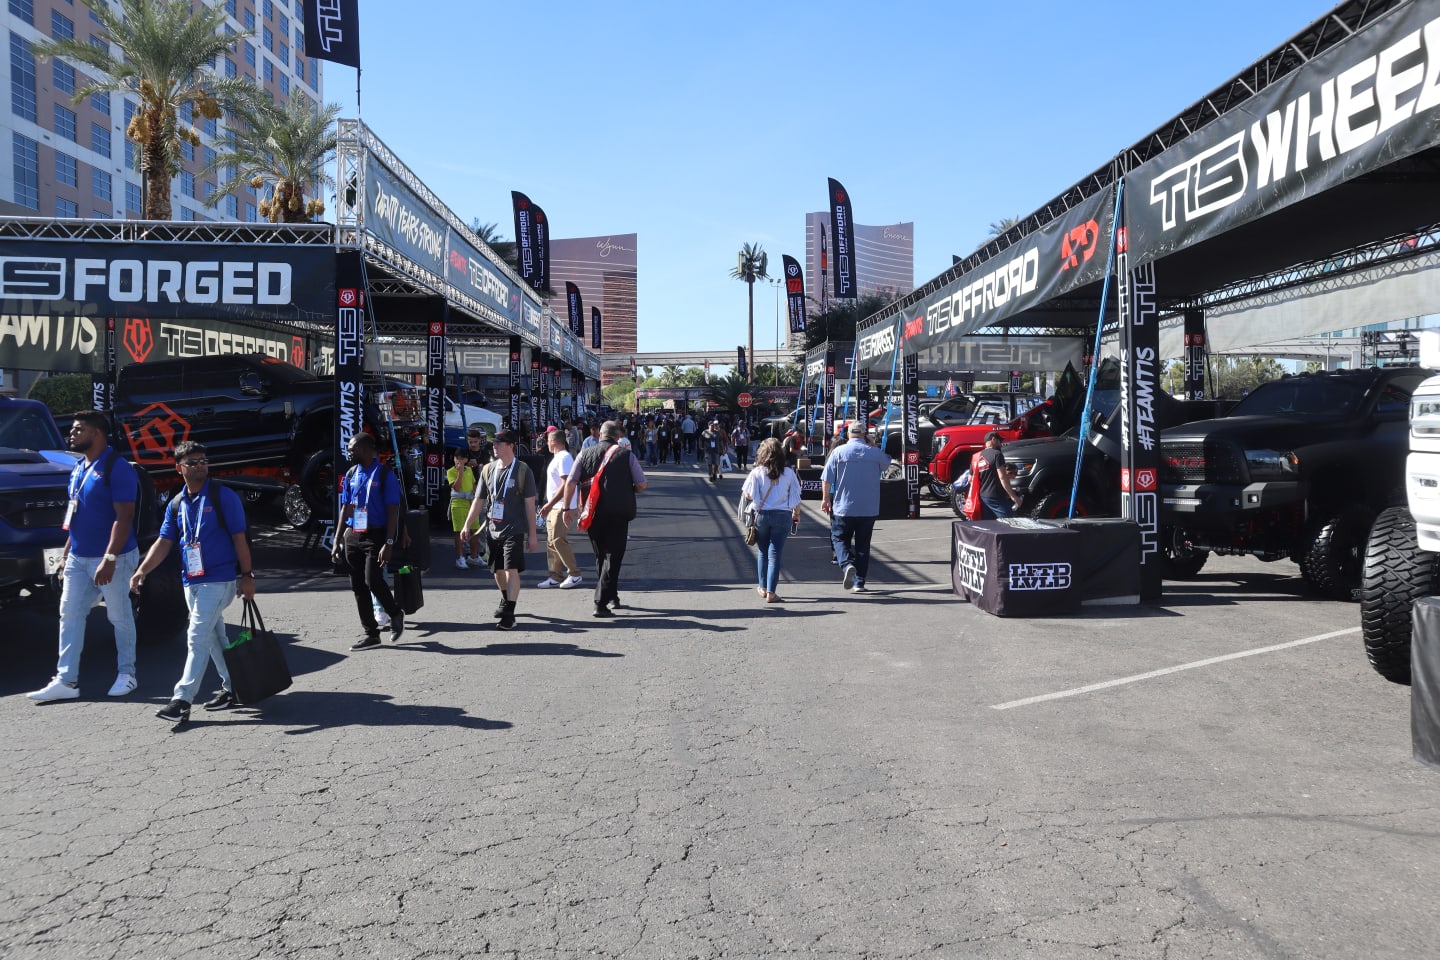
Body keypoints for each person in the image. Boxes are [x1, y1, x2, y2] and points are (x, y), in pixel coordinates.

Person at [129, 442, 256, 724]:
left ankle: (182, 699)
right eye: (192, 462)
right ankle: (233, 687)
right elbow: (164, 542)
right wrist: (142, 571)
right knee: (213, 637)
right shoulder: (177, 504)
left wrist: (247, 576)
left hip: (219, 580)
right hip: (191, 581)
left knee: (196, 635)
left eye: (203, 461)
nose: (200, 466)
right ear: (179, 469)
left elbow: (240, 539)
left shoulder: (224, 497)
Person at [26, 410, 142, 703]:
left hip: (112, 558)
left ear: (97, 434)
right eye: (73, 430)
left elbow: (124, 517)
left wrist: (110, 558)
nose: (72, 434)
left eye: (79, 429)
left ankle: (127, 674)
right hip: (78, 557)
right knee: (69, 614)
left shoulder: (117, 467)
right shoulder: (79, 467)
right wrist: (65, 554)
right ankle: (66, 680)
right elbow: (75, 515)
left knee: (119, 616)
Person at [565, 420, 647, 618]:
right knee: (614, 556)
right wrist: (630, 488)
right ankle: (600, 602)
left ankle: (612, 596)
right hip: (618, 512)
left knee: (601, 555)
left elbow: (571, 481)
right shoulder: (626, 455)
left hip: (592, 512)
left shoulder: (584, 453)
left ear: (599, 435)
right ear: (618, 435)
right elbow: (642, 484)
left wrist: (567, 507)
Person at [331, 433, 405, 650]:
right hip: (353, 534)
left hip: (376, 534)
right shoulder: (352, 473)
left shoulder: (384, 474)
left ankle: (395, 613)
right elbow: (345, 508)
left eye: (352, 449)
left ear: (365, 449)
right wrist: (337, 540)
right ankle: (371, 634)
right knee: (357, 586)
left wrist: (389, 543)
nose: (349, 452)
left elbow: (393, 512)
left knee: (372, 579)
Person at [462, 429, 539, 630]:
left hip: (514, 529)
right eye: (494, 443)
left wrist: (532, 535)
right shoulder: (488, 469)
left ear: (511, 445)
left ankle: (509, 614)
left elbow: (530, 506)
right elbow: (479, 500)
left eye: (499, 443)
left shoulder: (523, 471)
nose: (494, 446)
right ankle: (506, 600)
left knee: (510, 569)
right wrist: (467, 524)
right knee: (497, 571)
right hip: (492, 529)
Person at [820, 421, 893, 594]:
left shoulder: (838, 452)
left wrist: (825, 499)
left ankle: (846, 565)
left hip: (843, 507)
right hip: (868, 509)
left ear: (848, 434)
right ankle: (859, 583)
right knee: (863, 545)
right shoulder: (874, 453)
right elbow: (887, 464)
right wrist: (874, 446)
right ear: (865, 435)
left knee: (838, 538)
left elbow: (826, 478)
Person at [741, 438, 803, 604]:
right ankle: (771, 592)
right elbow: (796, 498)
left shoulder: (757, 472)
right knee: (775, 554)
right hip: (782, 516)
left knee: (762, 552)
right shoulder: (789, 473)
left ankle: (762, 587)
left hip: (761, 515)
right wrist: (796, 514)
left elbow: (748, 494)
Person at [537, 428, 583, 590]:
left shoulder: (564, 458)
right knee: (551, 542)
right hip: (555, 506)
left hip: (561, 506)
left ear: (554, 441)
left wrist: (558, 506)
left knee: (558, 540)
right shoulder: (557, 457)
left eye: (548, 440)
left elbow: (566, 483)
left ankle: (574, 574)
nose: (547, 443)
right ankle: (555, 576)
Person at [972, 431, 1024, 519]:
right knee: (1009, 523)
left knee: (990, 526)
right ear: (993, 439)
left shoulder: (976, 456)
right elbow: (1002, 477)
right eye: (999, 441)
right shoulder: (997, 454)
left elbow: (970, 478)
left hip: (984, 497)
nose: (1000, 443)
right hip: (996, 497)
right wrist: (1013, 496)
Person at [447, 448, 482, 569]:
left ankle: (474, 556)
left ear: (466, 460)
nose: (459, 461)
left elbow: (473, 486)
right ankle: (460, 558)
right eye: (457, 458)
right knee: (459, 532)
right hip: (458, 503)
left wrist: (479, 497)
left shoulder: (470, 471)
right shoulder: (451, 472)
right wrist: (460, 472)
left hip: (470, 503)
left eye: (462, 459)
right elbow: (456, 487)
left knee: (475, 530)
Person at [700, 419, 725, 483]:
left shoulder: (717, 432)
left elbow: (720, 441)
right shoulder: (704, 432)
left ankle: (714, 473)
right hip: (708, 451)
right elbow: (700, 440)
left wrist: (722, 449)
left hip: (716, 450)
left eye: (713, 425)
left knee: (716, 464)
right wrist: (701, 446)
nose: (712, 426)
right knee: (709, 464)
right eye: (711, 425)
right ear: (708, 426)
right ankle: (710, 475)